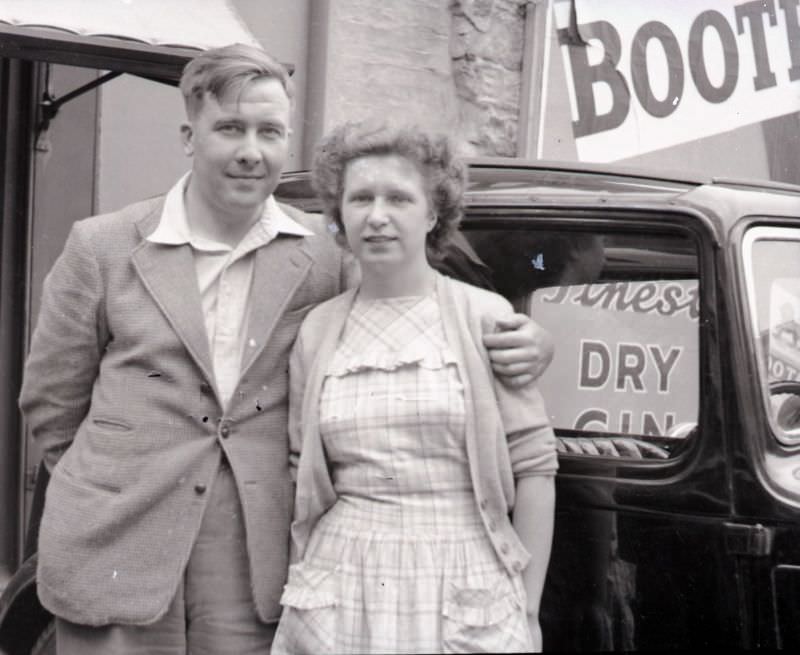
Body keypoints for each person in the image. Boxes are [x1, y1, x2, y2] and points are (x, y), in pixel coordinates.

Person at [18, 45, 553, 654]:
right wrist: (114, 482)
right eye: (230, 129)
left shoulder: (323, 258)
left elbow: (405, 316)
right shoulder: (103, 247)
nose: (251, 150)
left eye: (269, 131)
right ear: (189, 136)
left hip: (251, 551)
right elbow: (51, 403)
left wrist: (531, 339)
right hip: (119, 539)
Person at [272, 122, 558, 654]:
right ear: (339, 216)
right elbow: (301, 472)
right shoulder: (317, 329)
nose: (377, 216)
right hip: (343, 577)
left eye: (399, 198)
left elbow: (536, 467)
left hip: (462, 570)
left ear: (432, 214)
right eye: (360, 198)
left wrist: (530, 608)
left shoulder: (485, 317)